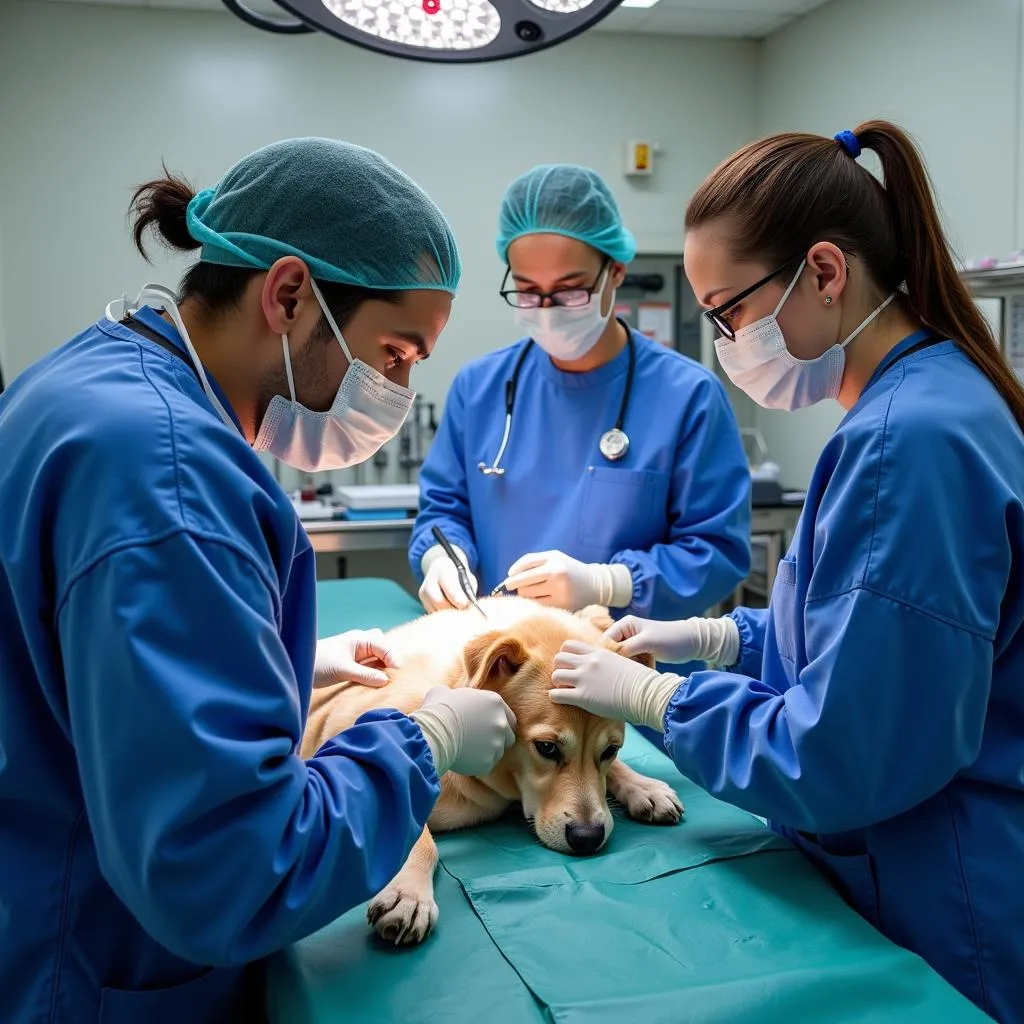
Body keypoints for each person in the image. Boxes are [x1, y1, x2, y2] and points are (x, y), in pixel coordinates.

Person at [0, 138, 517, 1023]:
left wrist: (265, 665)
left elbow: (64, 659)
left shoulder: (94, 380)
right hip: (84, 965)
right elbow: (231, 869)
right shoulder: (166, 471)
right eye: (394, 353)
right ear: (287, 295)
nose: (395, 388)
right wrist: (421, 741)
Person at [548, 121, 1024, 1023]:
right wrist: (715, 638)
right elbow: (859, 641)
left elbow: (847, 747)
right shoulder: (927, 402)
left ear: (826, 273)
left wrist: (660, 702)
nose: (725, 340)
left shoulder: (907, 442)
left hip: (945, 893)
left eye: (728, 311)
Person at [410, 163, 750, 638]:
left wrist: (607, 582)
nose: (546, 311)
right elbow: (444, 511)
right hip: (506, 665)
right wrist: (444, 558)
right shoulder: (480, 387)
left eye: (570, 291)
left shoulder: (687, 395)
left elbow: (717, 551)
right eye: (528, 292)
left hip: (633, 672)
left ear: (615, 272)